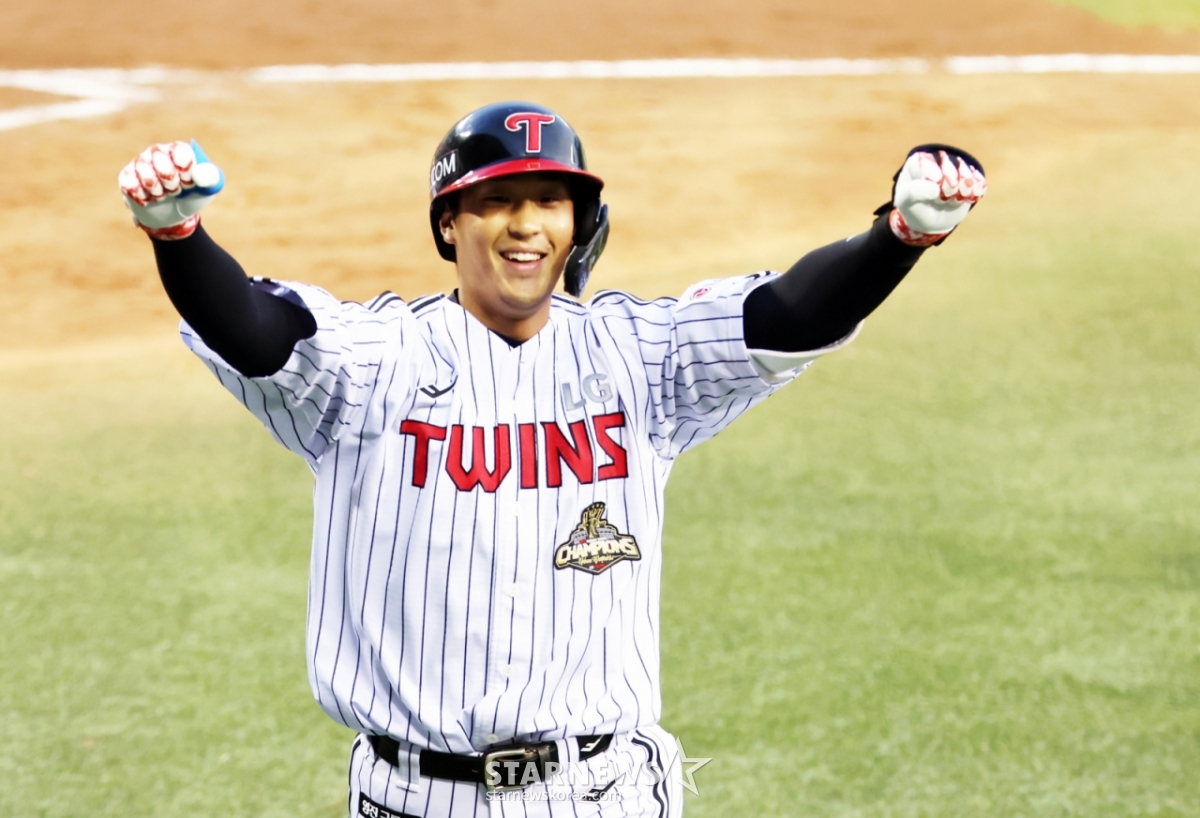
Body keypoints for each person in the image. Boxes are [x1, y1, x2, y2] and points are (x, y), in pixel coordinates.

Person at [118, 101, 986, 818]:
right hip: (409, 798)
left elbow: (785, 316)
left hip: (602, 790)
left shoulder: (640, 359)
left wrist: (898, 236)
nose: (525, 225)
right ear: (449, 223)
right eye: (496, 201)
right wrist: (181, 236)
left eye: (550, 202)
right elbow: (259, 333)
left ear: (581, 226)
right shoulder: (377, 363)